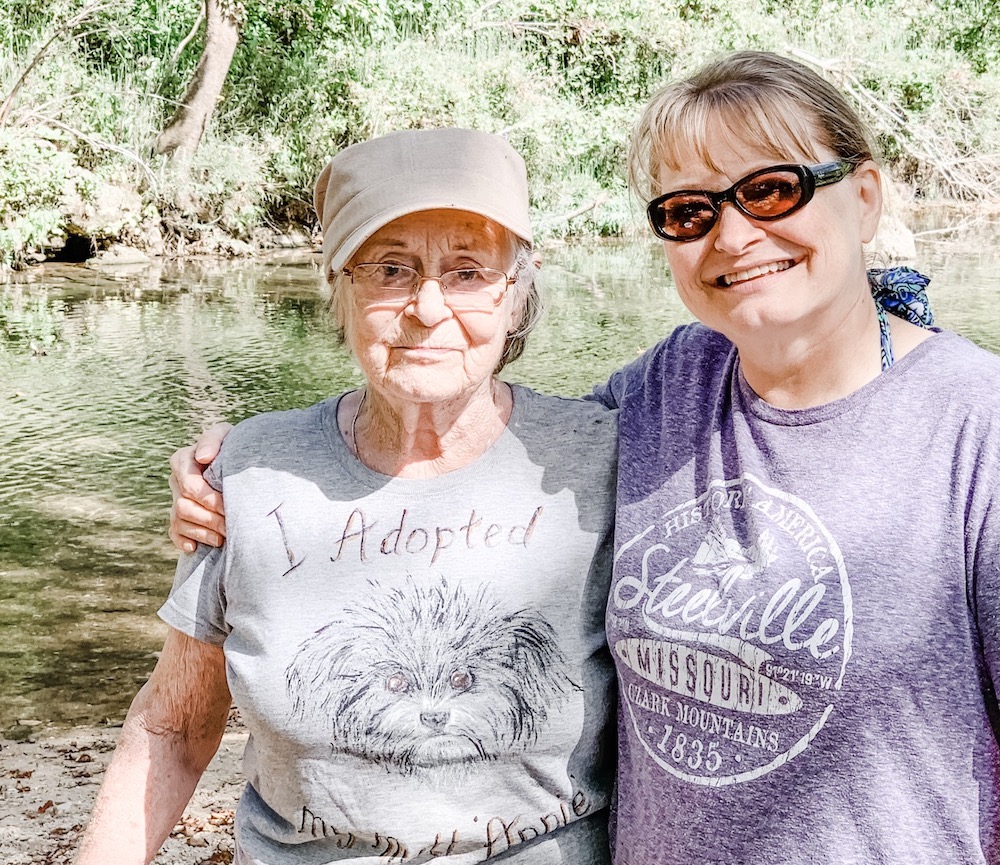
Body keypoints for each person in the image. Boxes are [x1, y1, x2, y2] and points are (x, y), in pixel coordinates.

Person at [169, 52, 1000, 863]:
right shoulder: (662, 391)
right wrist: (241, 471)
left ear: (864, 196)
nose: (735, 234)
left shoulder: (977, 429)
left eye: (773, 189)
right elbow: (473, 436)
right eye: (689, 210)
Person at [76, 128, 618, 865]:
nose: (428, 306)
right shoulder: (252, 471)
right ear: (339, 285)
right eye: (391, 269)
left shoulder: (605, 457)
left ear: (517, 291)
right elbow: (174, 727)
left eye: (468, 271)